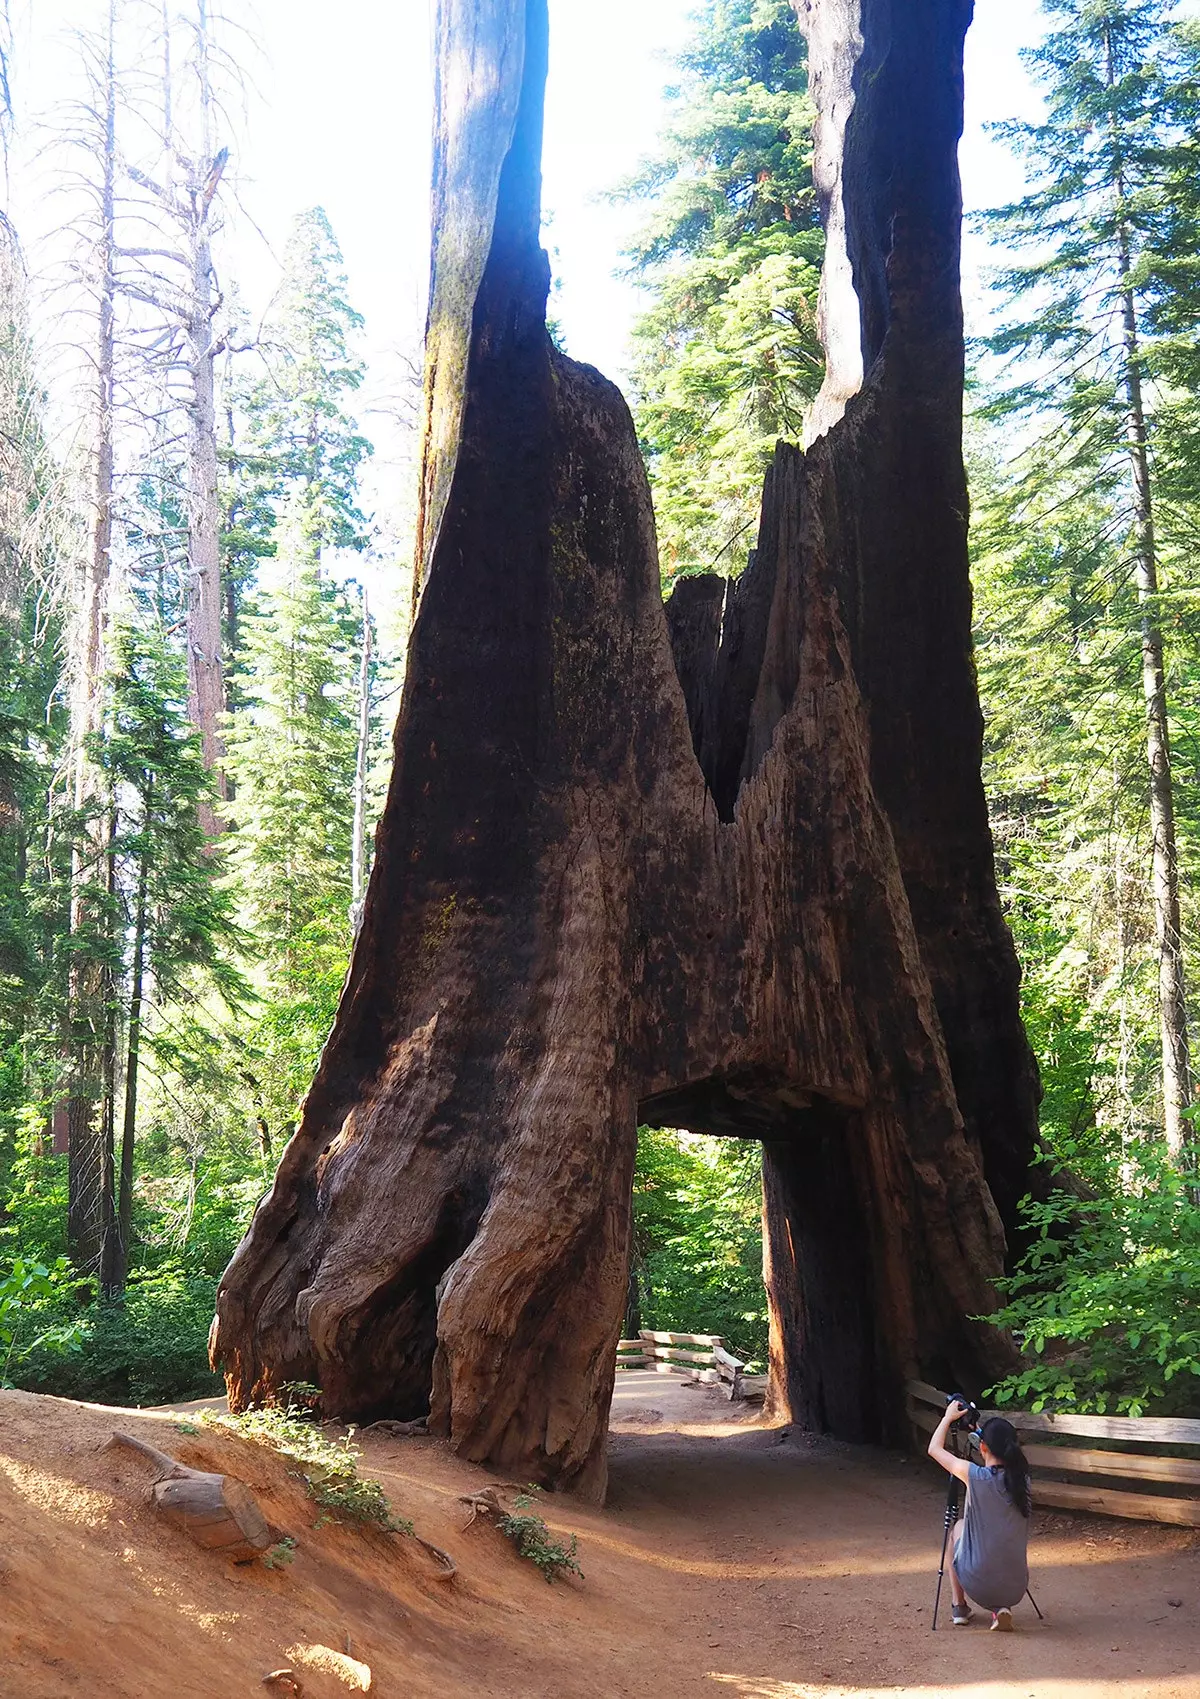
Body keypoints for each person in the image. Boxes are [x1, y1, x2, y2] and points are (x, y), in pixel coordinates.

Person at [927, 1401, 1032, 1631]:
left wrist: (948, 1418)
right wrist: (977, 1430)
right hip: (1016, 1587)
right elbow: (997, 1456)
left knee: (958, 1528)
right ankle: (1000, 1610)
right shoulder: (1022, 1480)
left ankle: (959, 1607)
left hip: (978, 1583)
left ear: (982, 1447)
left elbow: (934, 1449)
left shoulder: (974, 1475)